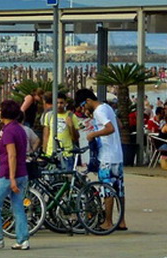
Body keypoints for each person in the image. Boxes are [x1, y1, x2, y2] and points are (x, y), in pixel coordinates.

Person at [0, 100, 31, 250]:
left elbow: (12, 155)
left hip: (9, 173)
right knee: (17, 207)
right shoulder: (19, 129)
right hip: (23, 172)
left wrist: (11, 178)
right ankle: (23, 239)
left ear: (4, 113)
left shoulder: (9, 131)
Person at [77, 88, 127, 231]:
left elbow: (110, 128)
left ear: (88, 100)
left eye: (82, 105)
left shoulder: (99, 111)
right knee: (119, 190)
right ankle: (122, 221)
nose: (83, 108)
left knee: (107, 190)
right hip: (117, 155)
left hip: (107, 156)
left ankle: (108, 222)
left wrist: (93, 134)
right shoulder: (107, 108)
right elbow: (119, 125)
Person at [41, 92, 79, 168]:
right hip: (51, 153)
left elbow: (75, 138)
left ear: (65, 103)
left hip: (66, 154)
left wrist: (71, 126)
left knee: (67, 177)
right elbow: (46, 135)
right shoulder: (49, 115)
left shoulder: (71, 116)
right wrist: (44, 151)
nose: (59, 105)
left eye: (61, 103)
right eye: (57, 103)